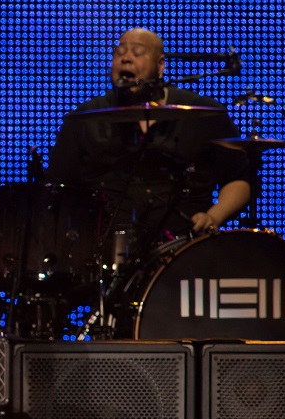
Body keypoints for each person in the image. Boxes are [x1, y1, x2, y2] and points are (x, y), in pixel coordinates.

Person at [47, 27, 251, 257]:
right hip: (105, 252)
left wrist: (214, 216)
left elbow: (240, 179)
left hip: (187, 249)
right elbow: (57, 190)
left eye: (137, 52)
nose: (125, 58)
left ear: (161, 65)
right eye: (119, 52)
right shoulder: (85, 119)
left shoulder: (203, 114)